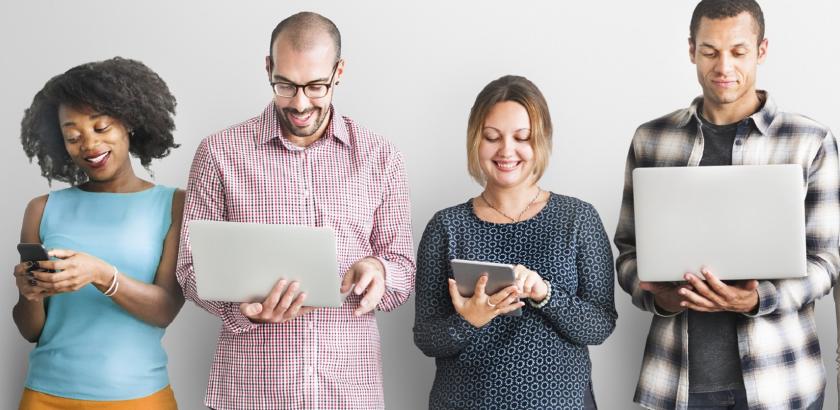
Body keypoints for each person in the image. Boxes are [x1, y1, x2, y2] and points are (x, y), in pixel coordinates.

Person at [175, 12, 415, 410]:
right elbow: (189, 270)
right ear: (268, 68)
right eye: (285, 85)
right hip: (249, 394)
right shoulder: (219, 153)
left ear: (339, 72)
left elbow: (403, 270)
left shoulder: (380, 157)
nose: (300, 103)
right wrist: (241, 311)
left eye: (316, 86)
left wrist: (379, 271)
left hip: (349, 394)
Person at [614, 1, 839, 408]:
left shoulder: (810, 141)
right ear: (691, 50)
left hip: (782, 382)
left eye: (738, 51)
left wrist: (757, 299)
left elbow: (825, 262)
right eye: (710, 51)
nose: (723, 67)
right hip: (677, 383)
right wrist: (658, 298)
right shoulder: (651, 139)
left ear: (762, 50)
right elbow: (628, 252)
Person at [413, 75, 617, 409]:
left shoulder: (578, 219)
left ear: (541, 142)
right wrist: (469, 320)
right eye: (492, 137)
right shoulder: (446, 227)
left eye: (521, 137)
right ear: (475, 141)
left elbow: (599, 325)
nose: (506, 151)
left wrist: (545, 295)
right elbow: (426, 337)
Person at [13, 57, 184, 409]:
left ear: (129, 123)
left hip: (139, 397)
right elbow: (31, 331)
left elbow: (165, 308)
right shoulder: (41, 209)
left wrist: (100, 273)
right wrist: (29, 295)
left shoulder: (173, 204)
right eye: (73, 136)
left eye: (102, 127)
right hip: (45, 396)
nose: (89, 145)